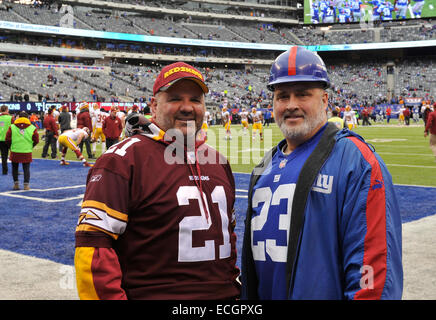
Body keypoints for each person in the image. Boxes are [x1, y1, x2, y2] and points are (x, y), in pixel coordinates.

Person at [241, 46, 403, 300]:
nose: (291, 105)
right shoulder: (264, 165)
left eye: (303, 94)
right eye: (283, 96)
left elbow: (373, 275)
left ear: (325, 100)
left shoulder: (355, 161)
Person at [74, 61, 240, 300]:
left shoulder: (218, 162)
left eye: (195, 99)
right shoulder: (121, 160)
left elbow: (229, 239)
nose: (187, 107)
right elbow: (93, 248)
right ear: (154, 105)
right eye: (174, 98)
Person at [5, 111, 39, 190]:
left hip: (15, 150)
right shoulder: (32, 128)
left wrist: (11, 146)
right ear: (27, 118)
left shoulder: (12, 127)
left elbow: (7, 139)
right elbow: (36, 140)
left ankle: (16, 184)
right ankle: (26, 185)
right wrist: (31, 146)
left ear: (18, 117)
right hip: (26, 151)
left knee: (14, 168)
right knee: (26, 168)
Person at [0, 105, 12, 175]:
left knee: (4, 156)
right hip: (8, 139)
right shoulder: (11, 118)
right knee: (13, 155)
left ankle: (5, 171)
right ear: (7, 110)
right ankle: (15, 170)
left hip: (0, 139)